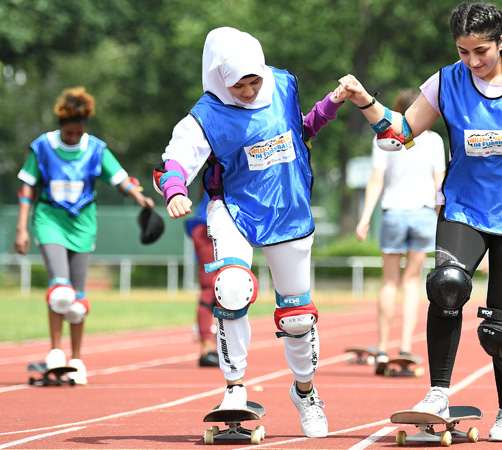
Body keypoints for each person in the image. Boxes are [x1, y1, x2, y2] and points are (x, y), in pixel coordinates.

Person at [341, 2, 502, 442]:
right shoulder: (446, 82)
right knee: (446, 286)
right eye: (463, 52)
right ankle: (438, 393)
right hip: (463, 208)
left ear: (501, 42)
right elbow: (401, 132)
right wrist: (366, 100)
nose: (473, 61)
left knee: (501, 327)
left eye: (481, 51)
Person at [154, 27, 351, 438]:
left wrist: (330, 105)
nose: (247, 91)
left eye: (253, 82)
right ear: (218, 78)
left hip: (287, 207)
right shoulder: (205, 116)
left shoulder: (284, 84)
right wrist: (175, 191)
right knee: (230, 288)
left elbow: (298, 132)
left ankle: (305, 393)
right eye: (237, 85)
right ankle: (234, 388)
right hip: (233, 208)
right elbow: (173, 162)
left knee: (298, 317)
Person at [14, 86, 155, 385]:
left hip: (83, 224)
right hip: (50, 220)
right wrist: (21, 228)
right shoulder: (43, 147)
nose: (74, 137)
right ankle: (55, 353)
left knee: (77, 302)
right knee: (60, 292)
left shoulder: (96, 149)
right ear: (61, 125)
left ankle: (77, 360)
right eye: (69, 133)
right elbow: (27, 188)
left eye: (79, 132)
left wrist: (139, 197)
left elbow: (120, 179)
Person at [355, 88, 446, 373]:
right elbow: (439, 183)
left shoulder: (384, 138)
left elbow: (376, 179)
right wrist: (441, 218)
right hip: (423, 214)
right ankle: (405, 347)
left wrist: (364, 218)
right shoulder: (434, 140)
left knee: (389, 282)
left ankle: (382, 349)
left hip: (393, 212)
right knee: (411, 282)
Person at [184, 188, 219, 367]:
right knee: (210, 288)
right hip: (208, 230)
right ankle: (206, 349)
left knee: (225, 288)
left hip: (214, 229)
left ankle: (218, 347)